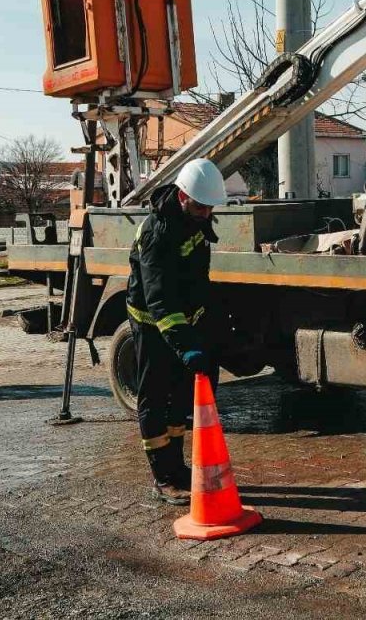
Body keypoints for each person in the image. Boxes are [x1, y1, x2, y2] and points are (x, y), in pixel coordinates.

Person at [126, 158, 227, 504]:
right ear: (183, 197)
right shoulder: (156, 233)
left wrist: (206, 325)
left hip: (182, 321)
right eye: (200, 207)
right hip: (153, 324)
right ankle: (162, 478)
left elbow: (197, 279)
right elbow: (160, 300)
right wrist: (185, 345)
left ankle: (178, 468)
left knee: (181, 398)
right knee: (154, 397)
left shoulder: (194, 219)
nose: (205, 214)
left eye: (209, 209)